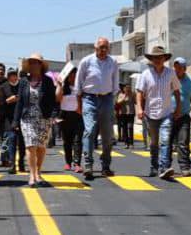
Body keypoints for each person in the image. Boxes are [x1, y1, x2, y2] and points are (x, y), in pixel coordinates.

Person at [75, 37, 119, 180]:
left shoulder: (113, 62)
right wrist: (79, 104)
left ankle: (105, 166)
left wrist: (112, 101)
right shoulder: (86, 61)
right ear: (95, 48)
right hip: (89, 99)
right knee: (89, 130)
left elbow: (115, 84)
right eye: (101, 47)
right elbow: (78, 85)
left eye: (106, 47)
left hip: (107, 99)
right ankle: (88, 165)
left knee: (107, 135)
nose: (104, 50)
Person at [136, 46, 182, 180]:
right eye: (155, 57)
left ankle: (164, 167)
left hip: (166, 113)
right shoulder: (145, 74)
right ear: (151, 59)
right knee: (154, 143)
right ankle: (154, 166)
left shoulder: (171, 73)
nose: (157, 60)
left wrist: (178, 107)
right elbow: (139, 92)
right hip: (150, 114)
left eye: (160, 57)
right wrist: (139, 108)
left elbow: (177, 91)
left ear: (164, 59)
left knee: (165, 140)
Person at [13, 54, 57, 188]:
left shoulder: (48, 81)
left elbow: (52, 100)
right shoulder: (23, 81)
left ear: (41, 65)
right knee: (31, 146)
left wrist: (53, 115)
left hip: (44, 117)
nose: (33, 65)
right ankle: (32, 175)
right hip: (27, 118)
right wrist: (15, 121)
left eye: (36, 63)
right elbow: (20, 102)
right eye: (31, 63)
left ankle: (38, 172)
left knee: (41, 147)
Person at [170, 57, 191, 176]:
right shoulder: (168, 80)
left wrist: (182, 107)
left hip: (183, 116)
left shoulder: (190, 83)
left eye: (179, 68)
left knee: (183, 142)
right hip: (169, 115)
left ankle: (185, 167)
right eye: (175, 67)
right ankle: (165, 166)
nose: (177, 70)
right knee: (167, 142)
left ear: (184, 69)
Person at [56, 62, 83, 172]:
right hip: (65, 115)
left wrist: (80, 110)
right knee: (67, 141)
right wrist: (59, 85)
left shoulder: (79, 87)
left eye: (75, 75)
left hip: (77, 115)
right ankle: (68, 162)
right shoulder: (63, 87)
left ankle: (77, 163)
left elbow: (82, 100)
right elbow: (58, 99)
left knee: (77, 140)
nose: (73, 77)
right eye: (71, 75)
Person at [0, 68, 22, 175]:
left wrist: (19, 99)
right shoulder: (4, 87)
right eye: (10, 75)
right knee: (11, 139)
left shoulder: (22, 85)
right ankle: (12, 164)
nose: (12, 77)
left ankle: (21, 162)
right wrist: (8, 100)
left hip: (22, 116)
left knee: (22, 141)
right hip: (9, 118)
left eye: (14, 75)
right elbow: (0, 102)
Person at [116, 83, 137, 149]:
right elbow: (118, 102)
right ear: (124, 89)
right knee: (124, 128)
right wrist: (125, 96)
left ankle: (131, 143)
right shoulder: (121, 95)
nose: (128, 89)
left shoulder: (132, 94)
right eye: (127, 88)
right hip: (123, 113)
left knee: (130, 127)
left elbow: (136, 102)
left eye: (129, 88)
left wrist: (134, 96)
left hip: (131, 113)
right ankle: (126, 143)